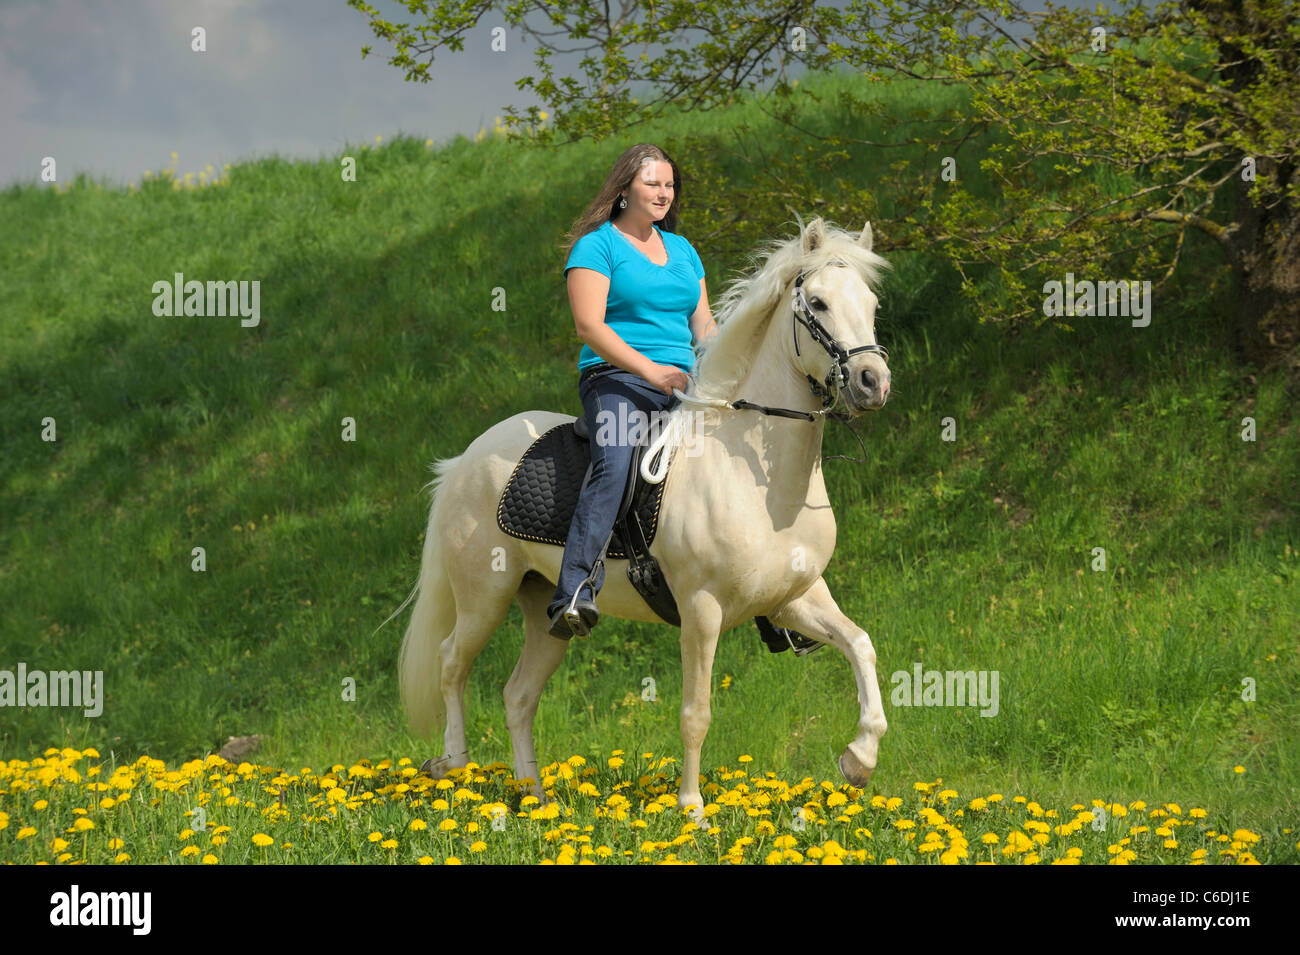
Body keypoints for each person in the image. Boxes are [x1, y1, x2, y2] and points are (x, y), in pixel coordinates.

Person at [547, 144, 822, 656]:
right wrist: (653, 371)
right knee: (616, 460)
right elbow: (589, 325)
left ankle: (775, 601)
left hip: (685, 381)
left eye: (669, 185)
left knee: (742, 460)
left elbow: (704, 327)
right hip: (616, 380)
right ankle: (575, 590)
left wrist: (729, 370)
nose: (663, 193)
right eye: (652, 183)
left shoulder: (683, 251)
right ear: (625, 187)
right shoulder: (597, 247)